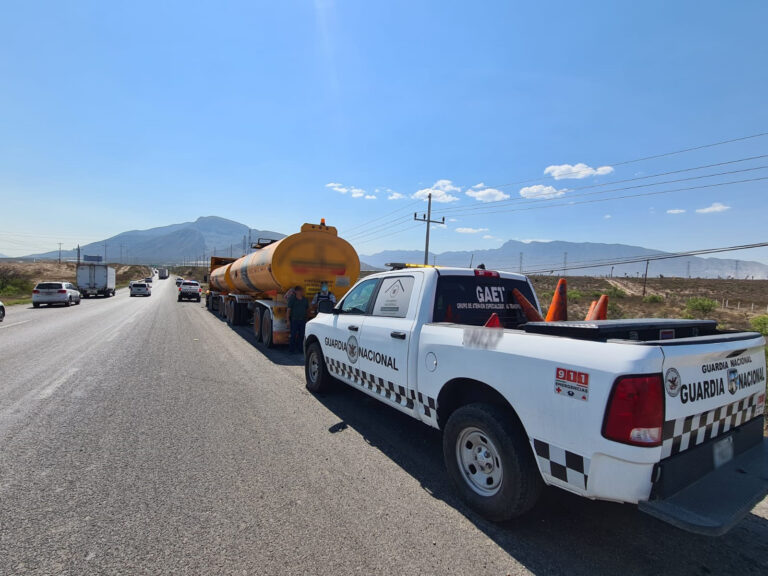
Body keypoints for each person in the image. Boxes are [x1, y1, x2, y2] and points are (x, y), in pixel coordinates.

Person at [286, 285, 309, 354]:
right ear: (296, 292)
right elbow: (288, 310)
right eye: (299, 291)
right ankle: (291, 350)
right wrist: (288, 321)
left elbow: (307, 310)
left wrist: (307, 319)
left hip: (302, 321)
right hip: (294, 320)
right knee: (293, 335)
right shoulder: (292, 299)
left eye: (301, 290)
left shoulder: (305, 300)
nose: (301, 292)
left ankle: (300, 349)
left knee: (302, 335)